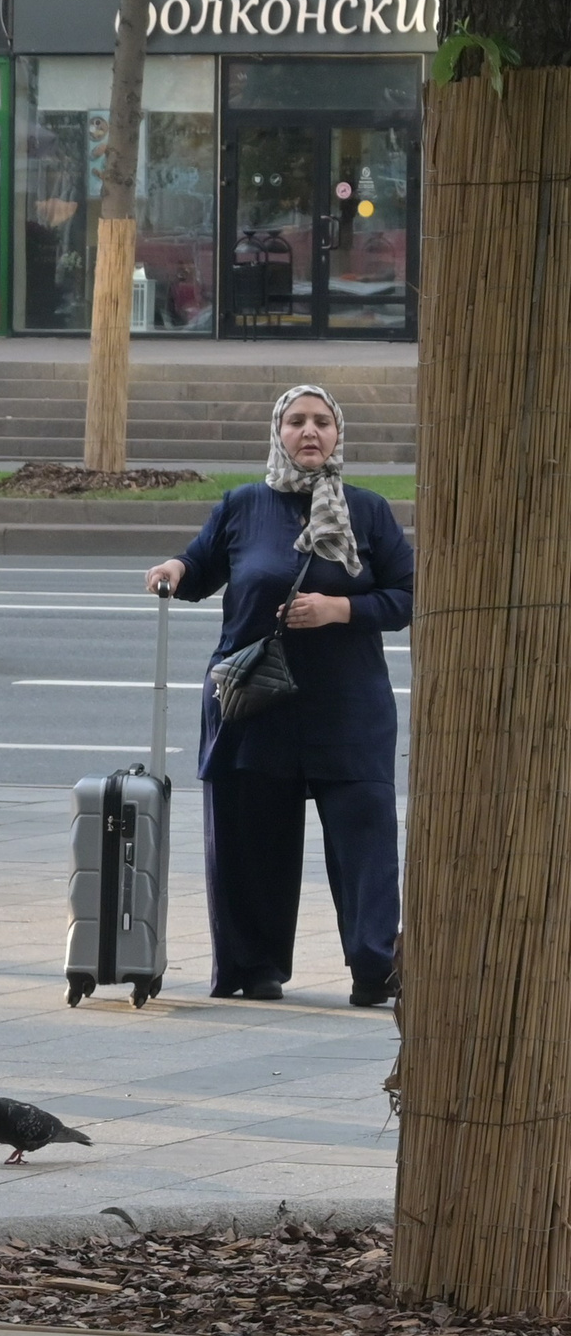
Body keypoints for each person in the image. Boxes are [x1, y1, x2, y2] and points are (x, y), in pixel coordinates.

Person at [146, 384, 411, 1007]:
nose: (310, 432)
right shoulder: (243, 505)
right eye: (297, 421)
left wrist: (339, 607)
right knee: (251, 841)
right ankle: (253, 967)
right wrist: (174, 570)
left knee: (364, 842)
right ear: (278, 431)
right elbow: (199, 566)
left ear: (339, 434)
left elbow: (408, 595)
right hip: (255, 706)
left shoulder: (368, 512)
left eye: (322, 421)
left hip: (346, 709)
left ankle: (377, 969)